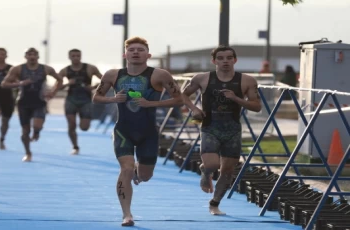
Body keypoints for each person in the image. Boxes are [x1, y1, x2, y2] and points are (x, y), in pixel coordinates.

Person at [92, 36, 183, 227]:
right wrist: (113, 99)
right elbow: (96, 98)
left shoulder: (160, 75)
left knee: (145, 176)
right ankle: (127, 214)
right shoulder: (112, 75)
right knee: (125, 168)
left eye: (140, 49)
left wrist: (151, 103)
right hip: (123, 130)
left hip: (148, 132)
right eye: (131, 49)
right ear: (125, 54)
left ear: (148, 55)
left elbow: (178, 100)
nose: (135, 52)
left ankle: (137, 171)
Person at [181, 45, 262, 216]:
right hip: (210, 127)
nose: (225, 61)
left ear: (235, 60)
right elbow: (182, 94)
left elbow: (256, 106)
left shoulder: (247, 80)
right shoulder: (202, 78)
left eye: (229, 58)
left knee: (227, 171)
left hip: (232, 129)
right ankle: (206, 170)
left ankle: (214, 203)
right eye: (221, 58)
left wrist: (236, 98)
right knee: (212, 164)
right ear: (214, 61)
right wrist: (193, 109)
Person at [1, 48, 63, 162]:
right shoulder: (17, 69)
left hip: (39, 102)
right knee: (25, 131)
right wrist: (20, 83)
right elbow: (4, 84)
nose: (32, 57)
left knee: (37, 126)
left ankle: (37, 132)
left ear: (38, 57)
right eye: (30, 54)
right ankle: (28, 153)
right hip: (23, 102)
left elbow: (60, 79)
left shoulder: (46, 69)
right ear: (26, 56)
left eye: (34, 54)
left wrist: (53, 92)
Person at [57, 49, 103, 155]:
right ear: (69, 57)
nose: (76, 58)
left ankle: (84, 121)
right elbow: (58, 86)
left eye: (78, 56)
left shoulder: (90, 68)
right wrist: (68, 84)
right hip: (71, 99)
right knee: (71, 124)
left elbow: (105, 79)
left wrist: (94, 87)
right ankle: (75, 146)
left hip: (85, 100)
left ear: (81, 56)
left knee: (84, 128)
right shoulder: (65, 70)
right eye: (73, 56)